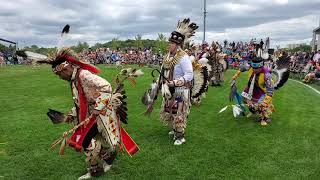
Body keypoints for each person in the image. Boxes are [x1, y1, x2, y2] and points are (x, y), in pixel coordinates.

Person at [38, 48, 139, 180]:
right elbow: (81, 100)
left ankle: (97, 168)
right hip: (91, 114)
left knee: (86, 140)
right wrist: (72, 114)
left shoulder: (83, 75)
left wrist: (98, 107)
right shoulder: (74, 79)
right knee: (86, 139)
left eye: (59, 74)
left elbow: (106, 86)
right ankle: (105, 159)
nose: (60, 78)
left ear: (66, 69)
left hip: (101, 113)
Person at [144, 18, 197, 145]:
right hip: (168, 89)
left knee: (179, 112)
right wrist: (158, 83)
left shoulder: (183, 57)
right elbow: (164, 71)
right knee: (170, 110)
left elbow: (189, 74)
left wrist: (175, 82)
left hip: (180, 89)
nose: (169, 45)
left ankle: (180, 136)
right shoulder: (168, 56)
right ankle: (175, 130)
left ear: (178, 45)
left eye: (171, 43)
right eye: (170, 43)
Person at [232, 53, 275, 126]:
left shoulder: (267, 75)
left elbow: (270, 90)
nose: (254, 70)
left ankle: (265, 117)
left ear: (261, 67)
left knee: (261, 105)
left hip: (261, 91)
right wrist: (237, 74)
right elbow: (242, 68)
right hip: (250, 88)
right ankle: (253, 111)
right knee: (246, 100)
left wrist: (266, 101)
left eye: (256, 68)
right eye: (253, 68)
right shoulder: (250, 67)